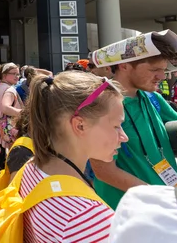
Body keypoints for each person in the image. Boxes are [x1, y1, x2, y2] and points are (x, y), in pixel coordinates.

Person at [21, 72, 126, 241]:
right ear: (80, 125)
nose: (124, 136)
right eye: (117, 126)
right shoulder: (88, 218)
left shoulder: (31, 168)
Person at [91, 35, 177, 210]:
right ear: (124, 65)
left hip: (166, 205)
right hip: (130, 212)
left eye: (164, 70)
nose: (161, 77)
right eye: (154, 70)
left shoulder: (153, 98)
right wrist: (162, 198)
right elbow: (104, 171)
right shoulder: (100, 103)